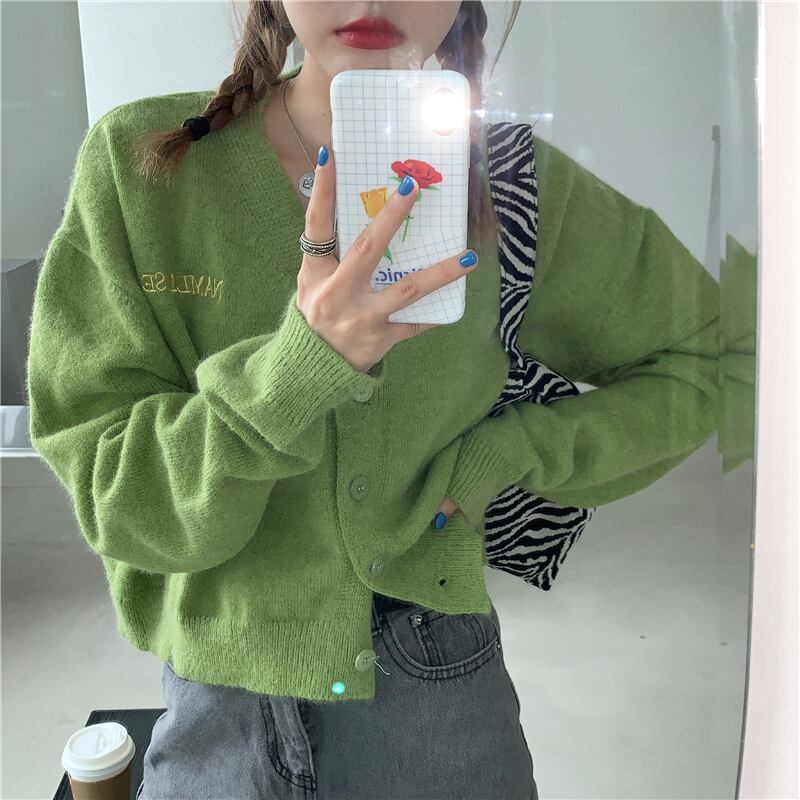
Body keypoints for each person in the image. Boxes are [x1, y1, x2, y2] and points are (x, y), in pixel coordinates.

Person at [27, 1, 722, 798]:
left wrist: (513, 453)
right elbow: (118, 497)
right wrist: (299, 369)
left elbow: (717, 350)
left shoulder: (510, 179)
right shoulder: (146, 163)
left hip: (438, 691)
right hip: (217, 702)